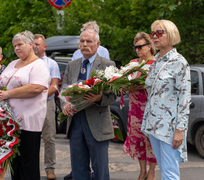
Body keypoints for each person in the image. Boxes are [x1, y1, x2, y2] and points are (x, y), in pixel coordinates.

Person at [61, 27, 116, 180]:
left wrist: (99, 98)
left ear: (98, 44)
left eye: (89, 41)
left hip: (97, 121)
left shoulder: (107, 65)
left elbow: (114, 95)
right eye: (82, 41)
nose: (84, 44)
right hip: (75, 121)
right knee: (78, 168)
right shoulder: (72, 65)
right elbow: (63, 90)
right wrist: (64, 105)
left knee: (100, 169)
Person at [141, 20, 191, 180]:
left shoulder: (179, 62)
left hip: (170, 128)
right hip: (154, 125)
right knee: (164, 170)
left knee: (170, 174)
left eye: (159, 33)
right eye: (152, 34)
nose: (155, 37)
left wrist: (180, 129)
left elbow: (184, 98)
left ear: (171, 34)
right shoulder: (155, 61)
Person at [0, 30, 50, 180]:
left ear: (31, 44)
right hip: (8, 121)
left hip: (28, 122)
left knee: (28, 163)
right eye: (15, 46)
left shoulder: (39, 65)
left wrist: (7, 94)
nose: (17, 48)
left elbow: (36, 87)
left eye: (20, 44)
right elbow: (1, 82)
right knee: (15, 164)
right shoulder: (13, 63)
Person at [123, 32, 157, 180]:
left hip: (151, 108)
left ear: (149, 46)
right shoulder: (133, 63)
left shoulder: (156, 63)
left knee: (151, 140)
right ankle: (142, 170)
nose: (137, 50)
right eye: (135, 47)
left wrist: (139, 86)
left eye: (140, 47)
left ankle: (152, 171)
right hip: (135, 109)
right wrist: (123, 85)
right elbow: (124, 79)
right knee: (138, 140)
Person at [34, 34, 61, 180]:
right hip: (29, 104)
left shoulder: (51, 64)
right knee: (30, 138)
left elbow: (55, 85)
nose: (35, 46)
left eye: (38, 44)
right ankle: (31, 169)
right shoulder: (26, 63)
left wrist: (40, 96)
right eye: (33, 44)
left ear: (44, 47)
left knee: (49, 137)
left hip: (47, 103)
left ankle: (50, 169)